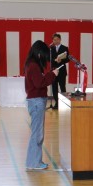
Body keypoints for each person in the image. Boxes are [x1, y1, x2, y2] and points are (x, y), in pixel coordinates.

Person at [24, 40, 59, 170]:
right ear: (39, 53)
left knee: (37, 133)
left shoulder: (31, 64)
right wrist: (52, 75)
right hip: (36, 101)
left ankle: (33, 161)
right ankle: (34, 163)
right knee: (37, 134)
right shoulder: (33, 66)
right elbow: (40, 83)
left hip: (36, 101)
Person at [49, 33, 69, 110]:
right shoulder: (51, 48)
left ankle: (64, 103)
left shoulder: (65, 48)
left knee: (62, 87)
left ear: (60, 40)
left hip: (62, 71)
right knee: (54, 87)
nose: (56, 41)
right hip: (54, 71)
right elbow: (49, 59)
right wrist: (54, 60)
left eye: (57, 39)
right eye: (54, 40)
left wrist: (61, 60)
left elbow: (67, 59)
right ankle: (57, 103)